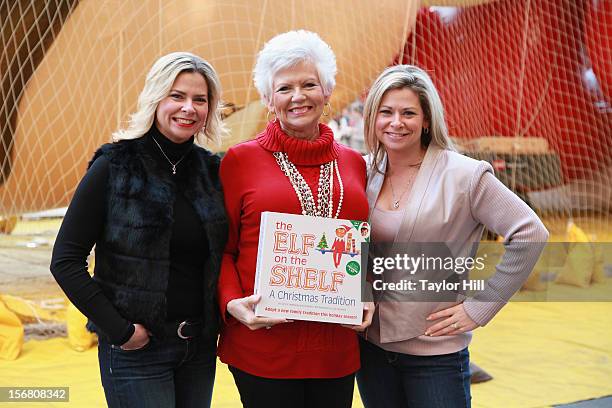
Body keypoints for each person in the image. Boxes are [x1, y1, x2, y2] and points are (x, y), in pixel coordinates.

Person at [356, 65, 549, 407]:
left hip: (435, 355)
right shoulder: (362, 170)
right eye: (386, 112)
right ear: (372, 117)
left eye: (408, 112)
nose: (396, 122)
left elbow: (530, 232)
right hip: (371, 352)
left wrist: (481, 307)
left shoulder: (464, 175)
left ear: (427, 120)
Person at [50, 52, 228, 408]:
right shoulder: (114, 166)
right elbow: (65, 261)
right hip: (138, 352)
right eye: (176, 96)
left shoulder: (212, 172)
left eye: (200, 99)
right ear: (155, 98)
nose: (188, 108)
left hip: (197, 350)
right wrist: (120, 330)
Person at [217, 30, 374, 408]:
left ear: (327, 91)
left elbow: (360, 244)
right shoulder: (239, 161)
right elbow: (222, 249)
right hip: (264, 343)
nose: (298, 96)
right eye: (284, 88)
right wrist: (232, 302)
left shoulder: (353, 164)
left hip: (335, 346)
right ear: (269, 100)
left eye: (309, 84)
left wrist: (365, 294)